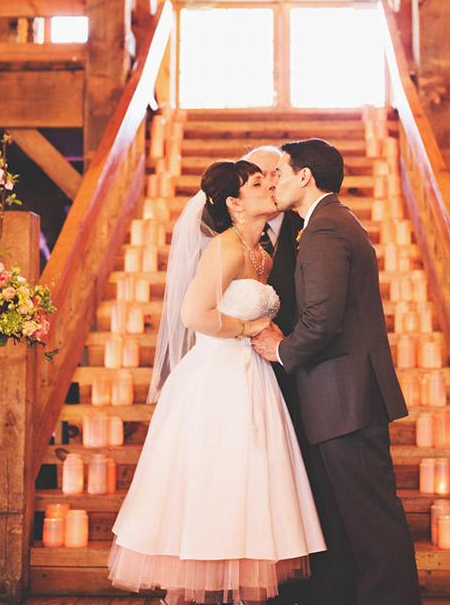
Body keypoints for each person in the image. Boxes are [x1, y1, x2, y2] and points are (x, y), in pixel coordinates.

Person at [108, 159, 326, 605]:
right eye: (258, 184)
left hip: (252, 378)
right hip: (217, 380)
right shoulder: (225, 249)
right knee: (216, 479)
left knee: (248, 486)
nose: (270, 188)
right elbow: (194, 315)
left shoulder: (260, 254)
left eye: (270, 181)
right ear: (234, 202)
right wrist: (253, 330)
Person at [252, 139, 422, 605]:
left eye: (280, 173)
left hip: (346, 396)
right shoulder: (328, 222)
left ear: (305, 176)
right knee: (357, 516)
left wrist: (282, 349)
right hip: (341, 396)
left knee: (371, 518)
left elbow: (322, 319)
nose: (273, 181)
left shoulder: (326, 229)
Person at [244, 146, 302, 419]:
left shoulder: (306, 223)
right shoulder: (222, 236)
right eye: (259, 176)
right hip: (242, 361)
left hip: (295, 362)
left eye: (274, 174)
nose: (269, 183)